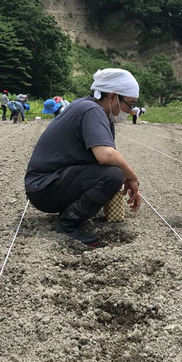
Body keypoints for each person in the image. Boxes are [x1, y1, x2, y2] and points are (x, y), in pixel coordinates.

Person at [24, 69, 142, 245]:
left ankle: (71, 213)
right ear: (112, 97)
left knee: (113, 172)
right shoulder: (91, 110)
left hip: (50, 183)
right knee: (112, 175)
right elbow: (106, 155)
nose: (130, 110)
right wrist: (131, 176)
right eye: (129, 104)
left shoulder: (94, 110)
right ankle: (68, 223)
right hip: (44, 187)